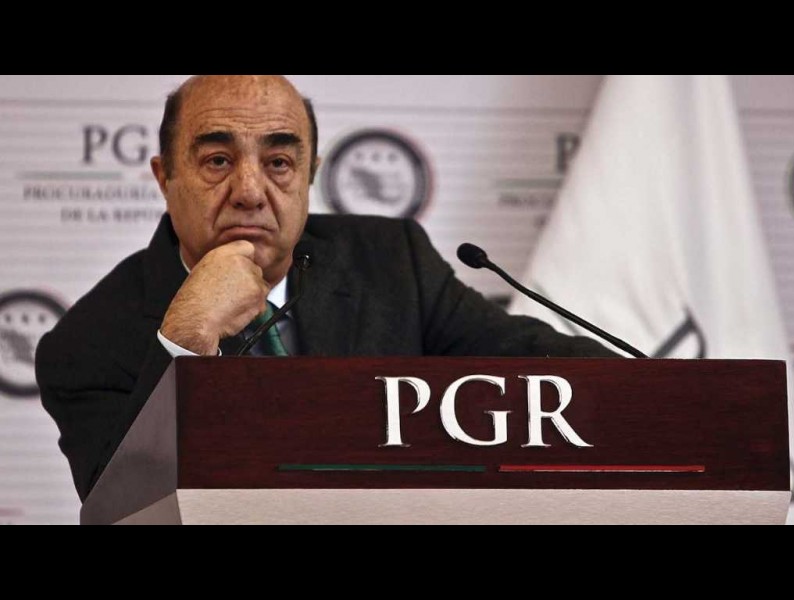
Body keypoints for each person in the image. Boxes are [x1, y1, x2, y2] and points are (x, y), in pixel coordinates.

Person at [35, 75, 618, 503]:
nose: (250, 191)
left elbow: (534, 360)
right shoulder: (86, 344)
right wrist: (185, 341)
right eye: (217, 160)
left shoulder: (391, 262)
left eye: (279, 163)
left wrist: (647, 388)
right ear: (166, 178)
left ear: (310, 174)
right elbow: (124, 506)